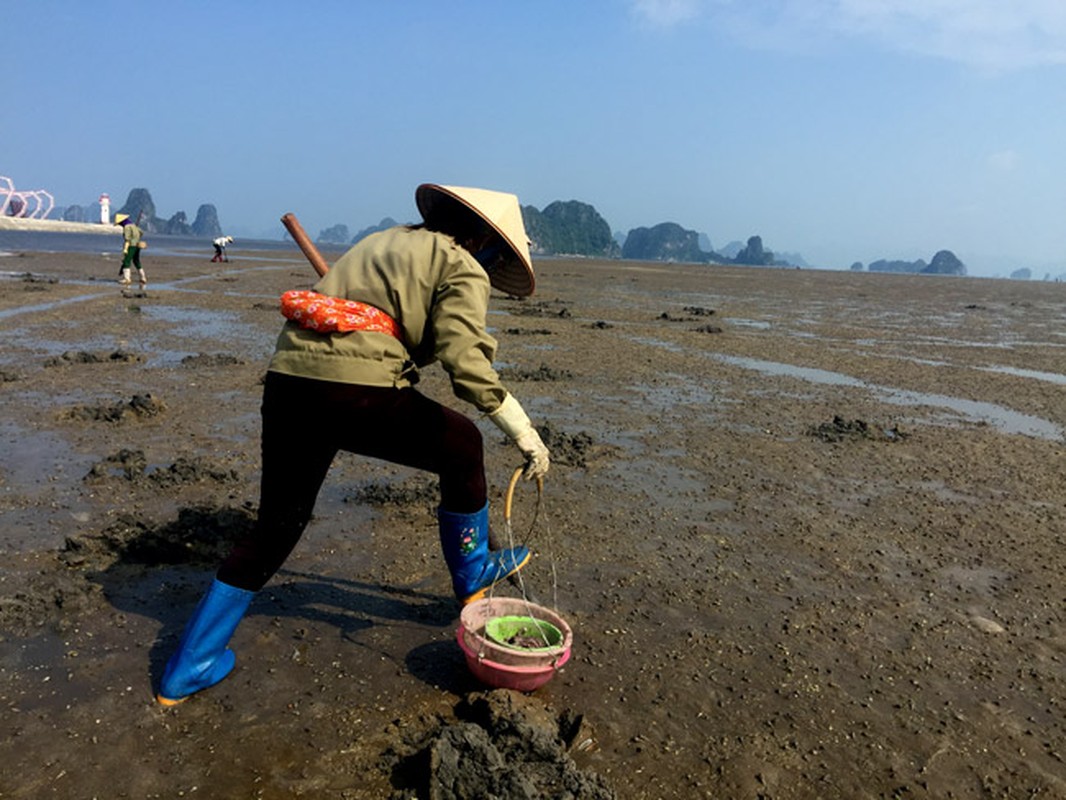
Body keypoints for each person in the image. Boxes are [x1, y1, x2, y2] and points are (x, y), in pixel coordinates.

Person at [156, 183, 552, 706]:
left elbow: (383, 320)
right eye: (497, 252)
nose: (493, 262)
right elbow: (464, 359)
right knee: (463, 443)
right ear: (482, 238)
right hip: (353, 389)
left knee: (276, 527)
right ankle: (473, 569)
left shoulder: (383, 241)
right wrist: (524, 432)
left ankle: (188, 668)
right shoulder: (464, 264)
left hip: (289, 381)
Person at [114, 213, 147, 288]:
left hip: (131, 246)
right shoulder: (133, 225)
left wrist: (125, 249)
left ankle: (127, 279)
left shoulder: (127, 227)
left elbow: (127, 239)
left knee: (126, 261)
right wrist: (136, 237)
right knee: (136, 261)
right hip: (137, 245)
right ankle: (143, 278)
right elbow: (141, 232)